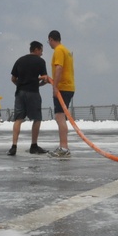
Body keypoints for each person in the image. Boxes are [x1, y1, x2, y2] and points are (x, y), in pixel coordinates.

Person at [7, 40, 49, 156]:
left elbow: (13, 79)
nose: (42, 53)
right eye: (41, 51)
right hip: (33, 93)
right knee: (37, 119)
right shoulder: (40, 61)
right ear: (36, 49)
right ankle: (34, 145)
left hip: (20, 93)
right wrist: (39, 82)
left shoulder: (20, 60)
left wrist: (21, 85)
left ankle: (14, 146)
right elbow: (45, 77)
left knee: (18, 119)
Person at [46, 30, 75, 158]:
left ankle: (64, 147)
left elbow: (59, 68)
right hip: (69, 86)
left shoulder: (58, 50)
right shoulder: (66, 50)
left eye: (49, 41)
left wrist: (55, 86)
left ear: (52, 39)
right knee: (61, 116)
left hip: (63, 87)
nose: (49, 44)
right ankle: (64, 146)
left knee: (59, 117)